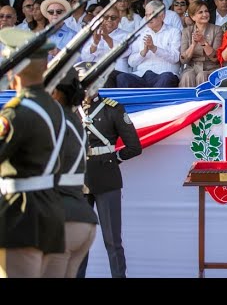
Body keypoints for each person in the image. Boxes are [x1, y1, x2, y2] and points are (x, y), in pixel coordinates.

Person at [0, 28, 66, 277]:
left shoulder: (16, 112)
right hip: (51, 210)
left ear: (13, 70)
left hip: (21, 214)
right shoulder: (55, 107)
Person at [75, 61, 142, 278]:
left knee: (112, 241)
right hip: (78, 181)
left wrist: (112, 159)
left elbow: (134, 147)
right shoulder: (69, 112)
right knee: (78, 242)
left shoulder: (113, 108)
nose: (87, 88)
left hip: (107, 178)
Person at [42, 68, 98, 278]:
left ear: (56, 92)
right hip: (80, 214)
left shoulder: (51, 119)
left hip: (57, 215)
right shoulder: (75, 121)